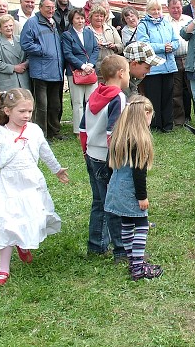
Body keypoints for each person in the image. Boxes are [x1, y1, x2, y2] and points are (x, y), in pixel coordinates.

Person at [0, 88, 69, 287]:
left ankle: (22, 244)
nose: (26, 116)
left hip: (32, 181)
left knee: (34, 217)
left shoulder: (34, 131)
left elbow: (45, 152)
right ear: (7, 111)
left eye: (29, 111)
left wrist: (57, 170)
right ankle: (3, 269)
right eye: (22, 111)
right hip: (9, 184)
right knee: (6, 221)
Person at [104, 95, 163, 280]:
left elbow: (109, 164)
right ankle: (138, 267)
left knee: (127, 224)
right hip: (130, 191)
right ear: (146, 113)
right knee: (142, 225)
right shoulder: (140, 140)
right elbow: (139, 174)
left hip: (115, 187)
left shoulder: (119, 136)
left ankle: (132, 261)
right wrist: (142, 197)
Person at [79, 55, 130, 262]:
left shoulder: (94, 92)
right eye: (126, 72)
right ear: (120, 73)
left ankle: (96, 244)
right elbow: (113, 132)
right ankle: (121, 250)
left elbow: (82, 127)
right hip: (107, 159)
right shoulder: (118, 97)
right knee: (114, 203)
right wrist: (117, 162)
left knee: (99, 201)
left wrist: (85, 152)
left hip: (92, 154)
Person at [20, 0, 65, 140]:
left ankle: (54, 132)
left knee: (55, 105)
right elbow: (25, 43)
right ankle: (41, 135)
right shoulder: (32, 23)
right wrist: (42, 50)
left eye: (53, 8)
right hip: (40, 71)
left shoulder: (53, 22)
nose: (51, 10)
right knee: (41, 106)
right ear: (40, 8)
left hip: (55, 70)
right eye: (48, 8)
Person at [136, 0, 179, 132]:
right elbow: (143, 44)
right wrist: (162, 47)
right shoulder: (143, 25)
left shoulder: (166, 23)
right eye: (153, 10)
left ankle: (168, 124)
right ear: (148, 11)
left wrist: (172, 46)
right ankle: (155, 124)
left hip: (168, 66)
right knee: (154, 97)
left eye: (158, 9)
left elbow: (176, 40)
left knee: (168, 96)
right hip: (153, 67)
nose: (156, 12)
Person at [61, 7, 99, 135]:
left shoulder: (89, 33)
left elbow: (95, 49)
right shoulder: (67, 35)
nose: (80, 21)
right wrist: (82, 66)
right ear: (72, 20)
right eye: (77, 18)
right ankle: (78, 130)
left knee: (92, 101)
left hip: (90, 71)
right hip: (75, 72)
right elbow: (68, 54)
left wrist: (91, 64)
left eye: (82, 18)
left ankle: (92, 127)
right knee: (78, 103)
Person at [166, 0, 193, 126]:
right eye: (173, 8)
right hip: (173, 58)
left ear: (182, 7)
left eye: (178, 7)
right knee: (176, 91)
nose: (176, 10)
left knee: (191, 89)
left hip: (189, 58)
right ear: (168, 8)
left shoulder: (189, 20)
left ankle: (192, 117)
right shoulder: (165, 21)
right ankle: (179, 120)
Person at [0, 14, 30, 92]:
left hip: (24, 80)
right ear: (0, 29)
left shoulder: (20, 39)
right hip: (7, 83)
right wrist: (14, 68)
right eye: (5, 26)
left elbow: (29, 56)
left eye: (10, 25)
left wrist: (25, 64)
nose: (9, 28)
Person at [87, 4, 123, 83]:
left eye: (101, 16)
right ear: (91, 17)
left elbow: (121, 46)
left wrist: (114, 46)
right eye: (96, 16)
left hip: (111, 67)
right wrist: (95, 46)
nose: (99, 18)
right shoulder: (86, 30)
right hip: (94, 67)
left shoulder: (111, 29)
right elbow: (83, 49)